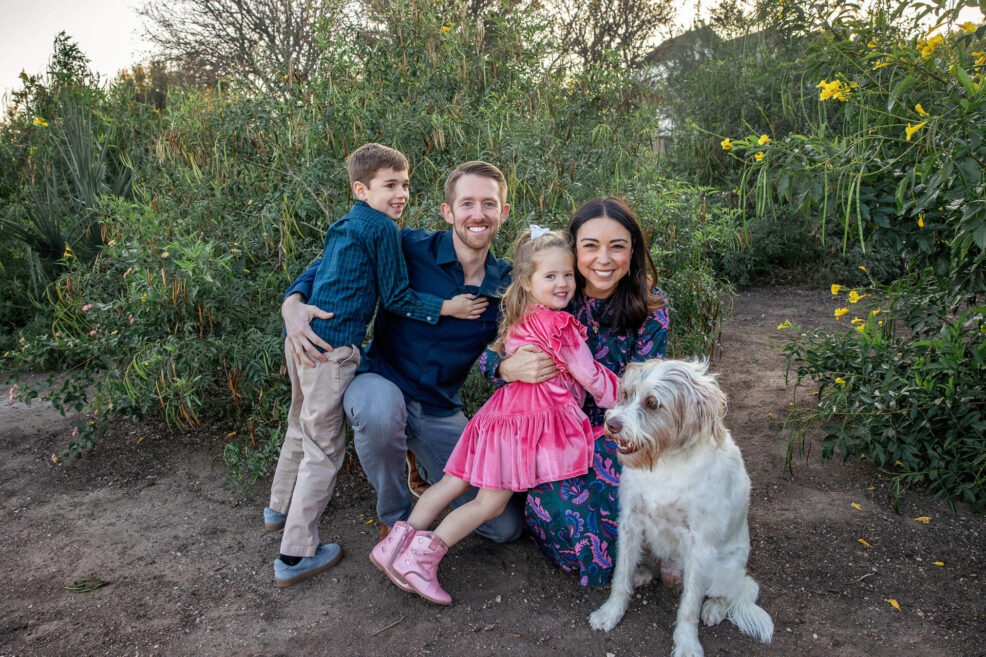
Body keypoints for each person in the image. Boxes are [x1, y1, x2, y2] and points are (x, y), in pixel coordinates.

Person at [266, 144, 484, 587]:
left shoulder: (346, 223)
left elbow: (326, 267)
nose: (401, 193)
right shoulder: (382, 229)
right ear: (361, 189)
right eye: (390, 186)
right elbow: (398, 297)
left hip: (304, 346)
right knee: (323, 450)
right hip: (331, 352)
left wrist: (295, 306)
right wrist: (447, 307)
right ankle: (294, 554)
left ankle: (278, 508)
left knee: (299, 425)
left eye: (404, 184)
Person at [370, 227, 620, 604]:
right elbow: (590, 376)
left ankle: (394, 544)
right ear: (527, 280)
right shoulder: (560, 324)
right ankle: (420, 560)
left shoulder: (524, 315)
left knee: (451, 484)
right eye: (550, 276)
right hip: (520, 425)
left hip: (496, 417)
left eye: (567, 274)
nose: (563, 283)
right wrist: (625, 398)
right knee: (490, 503)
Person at [479, 197, 670, 587]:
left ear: (632, 251)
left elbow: (648, 393)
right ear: (573, 249)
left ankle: (645, 549)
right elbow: (491, 355)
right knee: (559, 512)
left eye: (617, 246)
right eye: (590, 246)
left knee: (633, 498)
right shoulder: (555, 290)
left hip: (620, 432)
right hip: (553, 436)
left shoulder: (650, 307)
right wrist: (505, 367)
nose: (604, 259)